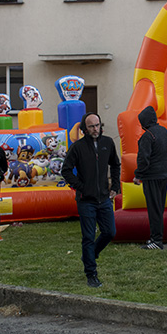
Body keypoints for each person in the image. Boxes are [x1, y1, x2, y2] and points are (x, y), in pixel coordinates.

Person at [61, 113, 121, 288]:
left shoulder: (108, 143)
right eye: (92, 127)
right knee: (88, 236)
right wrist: (81, 187)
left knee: (110, 232)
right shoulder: (78, 147)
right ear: (84, 130)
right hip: (86, 200)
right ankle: (91, 274)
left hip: (104, 198)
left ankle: (90, 254)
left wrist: (115, 186)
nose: (96, 129)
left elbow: (115, 165)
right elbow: (66, 170)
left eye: (98, 125)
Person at [133, 106, 167, 250]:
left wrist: (138, 175)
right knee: (159, 208)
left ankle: (156, 240)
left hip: (152, 177)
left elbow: (144, 159)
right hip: (164, 175)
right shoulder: (164, 131)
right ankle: (157, 238)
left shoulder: (147, 136)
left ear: (144, 122)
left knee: (153, 209)